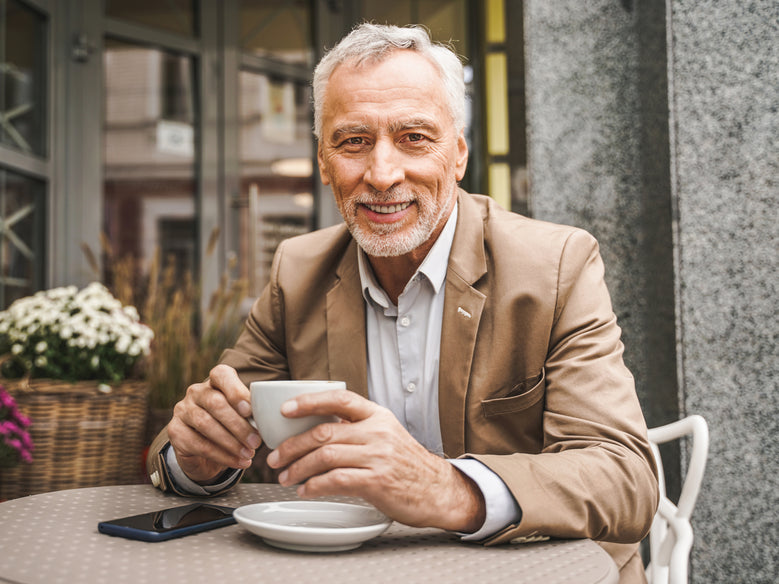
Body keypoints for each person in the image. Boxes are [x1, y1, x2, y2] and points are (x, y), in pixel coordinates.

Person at [147, 23, 658, 582]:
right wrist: (197, 460)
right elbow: (196, 438)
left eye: (414, 137)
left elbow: (624, 478)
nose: (383, 174)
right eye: (353, 141)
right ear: (323, 161)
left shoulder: (556, 264)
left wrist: (446, 487)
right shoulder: (298, 272)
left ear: (458, 155)